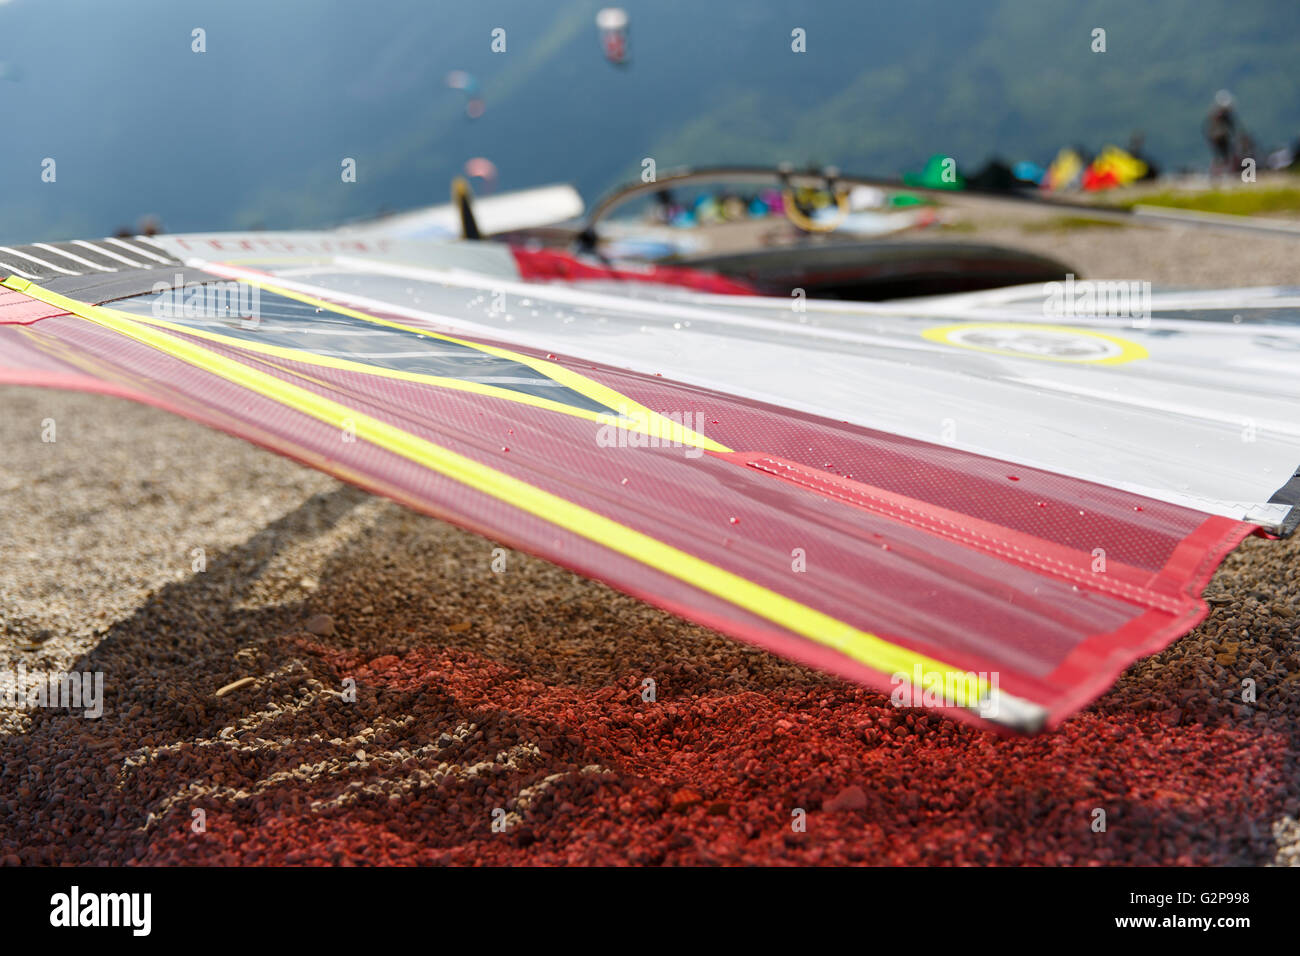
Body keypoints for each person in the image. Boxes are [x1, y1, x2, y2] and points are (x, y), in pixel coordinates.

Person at [1204, 90, 1238, 176]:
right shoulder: (1221, 116)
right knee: (1223, 156)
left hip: (1216, 138)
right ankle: (1222, 172)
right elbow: (1231, 127)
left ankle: (1218, 172)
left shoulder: (1213, 114)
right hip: (1220, 138)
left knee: (1220, 156)